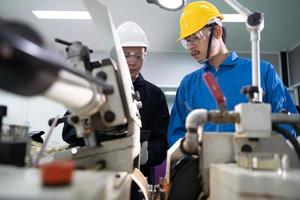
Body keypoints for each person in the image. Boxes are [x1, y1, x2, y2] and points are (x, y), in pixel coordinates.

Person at [167, 1, 297, 146]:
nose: (191, 46)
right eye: (187, 41)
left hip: (255, 164)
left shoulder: (262, 72)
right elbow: (176, 135)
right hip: (202, 166)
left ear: (217, 31)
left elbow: (287, 126)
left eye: (196, 37)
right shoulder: (188, 84)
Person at [62, 21, 169, 185]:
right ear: (115, 55)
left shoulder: (154, 95)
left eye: (138, 56)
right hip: (96, 174)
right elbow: (69, 132)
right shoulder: (95, 88)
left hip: (138, 177)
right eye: (126, 55)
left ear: (145, 55)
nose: (132, 61)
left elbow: (161, 141)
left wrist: (144, 155)